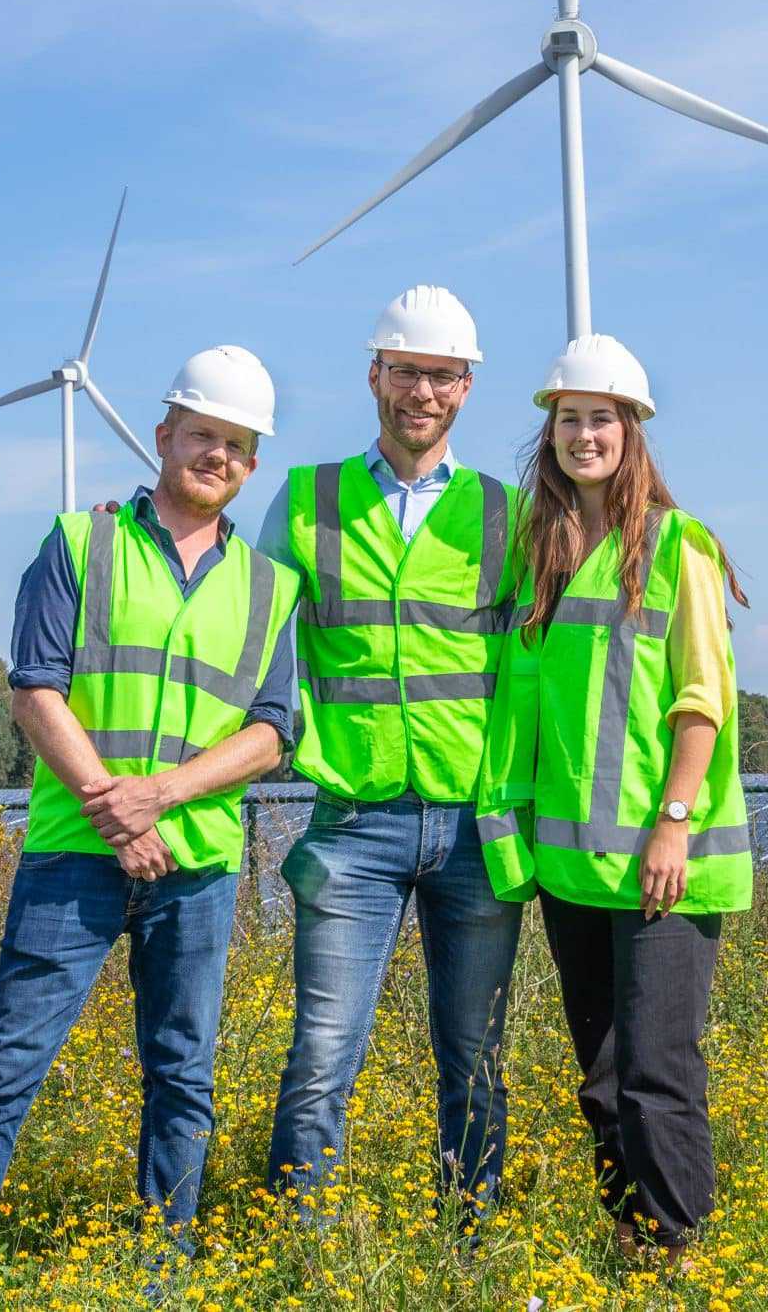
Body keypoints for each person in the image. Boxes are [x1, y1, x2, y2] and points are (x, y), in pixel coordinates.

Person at [0, 345, 303, 1295]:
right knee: (9, 1065)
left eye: (237, 444)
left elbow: (274, 734)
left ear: (253, 464)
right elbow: (35, 689)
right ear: (162, 435)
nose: (217, 454)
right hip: (74, 856)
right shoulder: (80, 544)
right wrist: (117, 813)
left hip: (199, 865)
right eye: (202, 434)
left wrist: (160, 796)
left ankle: (160, 1269)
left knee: (183, 1078)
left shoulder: (269, 586)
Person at [476, 332, 753, 1271]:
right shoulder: (539, 555)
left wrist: (672, 822)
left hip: (660, 860)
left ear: (633, 432)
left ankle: (680, 1248)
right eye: (568, 419)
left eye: (601, 419)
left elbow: (700, 699)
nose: (582, 435)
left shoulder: (682, 547)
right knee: (599, 1075)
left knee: (656, 1071)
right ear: (548, 432)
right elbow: (523, 708)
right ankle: (629, 1234)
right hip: (569, 867)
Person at [257, 285, 526, 1215]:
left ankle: (471, 1243)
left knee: (475, 1057)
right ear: (374, 373)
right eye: (406, 370)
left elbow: (557, 654)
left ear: (466, 389)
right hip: (353, 823)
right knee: (323, 1052)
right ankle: (298, 1238)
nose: (423, 391)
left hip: (475, 830)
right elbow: (241, 626)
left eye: (442, 375)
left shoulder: (507, 515)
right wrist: (134, 517)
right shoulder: (304, 500)